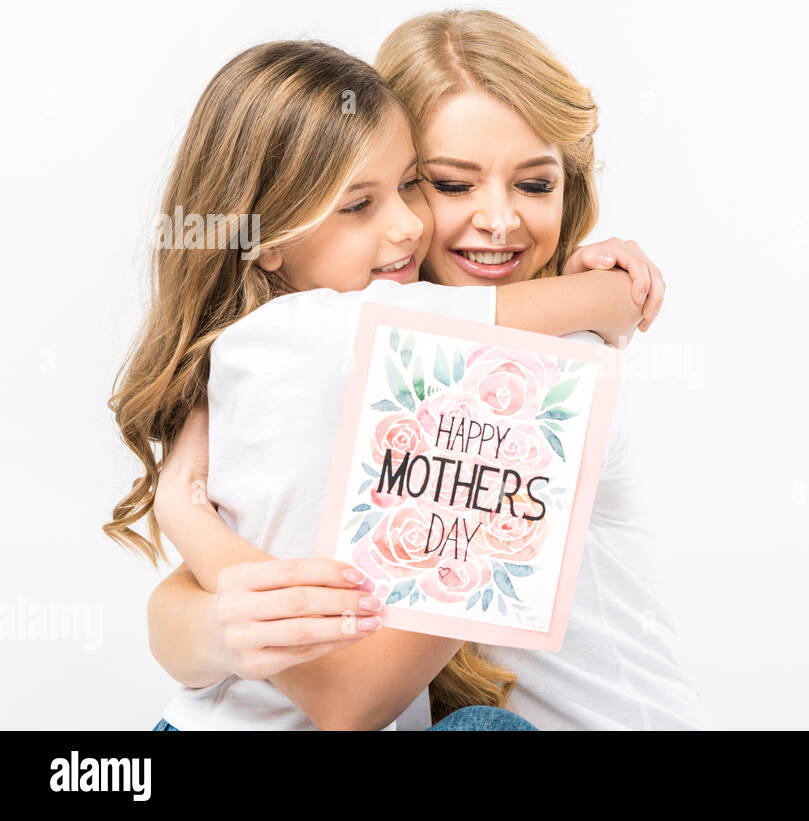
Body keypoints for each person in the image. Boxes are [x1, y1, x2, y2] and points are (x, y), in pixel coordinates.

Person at [141, 10, 715, 730]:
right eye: (446, 184)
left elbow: (346, 696)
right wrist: (198, 549)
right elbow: (175, 615)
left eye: (535, 185)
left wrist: (186, 516)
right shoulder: (333, 355)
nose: (499, 221)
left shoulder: (525, 381)